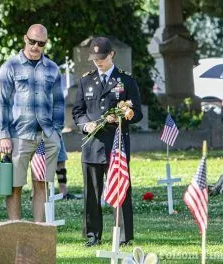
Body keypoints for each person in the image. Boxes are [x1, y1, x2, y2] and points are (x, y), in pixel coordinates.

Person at [72, 36, 142, 247]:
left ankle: (124, 236)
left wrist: (123, 115)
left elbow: (137, 112)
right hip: (93, 144)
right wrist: (86, 125)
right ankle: (93, 235)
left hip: (117, 144)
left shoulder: (126, 80)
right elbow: (78, 111)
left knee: (120, 189)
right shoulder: (86, 80)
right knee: (92, 193)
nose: (98, 62)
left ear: (111, 54)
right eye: (95, 58)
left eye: (102, 57)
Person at [0, 24, 64, 222]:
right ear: (25, 38)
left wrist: (57, 133)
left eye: (40, 43)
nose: (35, 46)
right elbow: (2, 103)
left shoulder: (52, 69)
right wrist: (4, 135)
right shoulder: (10, 67)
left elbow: (59, 102)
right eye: (32, 41)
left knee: (41, 183)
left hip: (46, 136)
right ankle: (16, 227)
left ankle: (38, 230)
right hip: (19, 135)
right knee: (14, 186)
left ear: (45, 43)